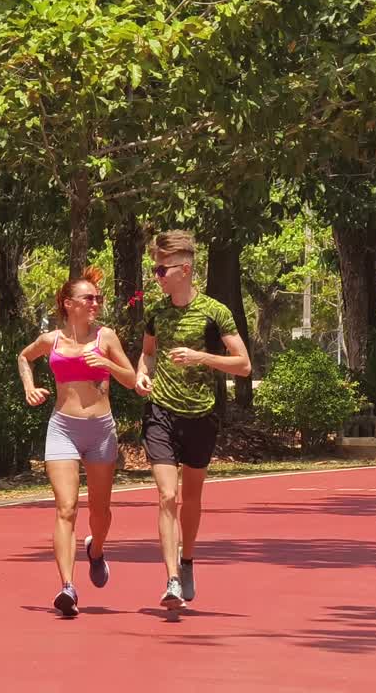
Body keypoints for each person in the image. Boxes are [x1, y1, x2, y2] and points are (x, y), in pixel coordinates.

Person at [136, 230, 251, 609]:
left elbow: (244, 365)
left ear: (184, 270)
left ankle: (187, 562)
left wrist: (202, 357)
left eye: (161, 269)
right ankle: (170, 578)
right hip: (160, 413)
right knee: (167, 495)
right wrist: (142, 373)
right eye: (154, 269)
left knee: (191, 498)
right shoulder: (157, 312)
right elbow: (148, 353)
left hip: (201, 415)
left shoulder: (215, 312)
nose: (157, 276)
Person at [18, 266, 136, 617]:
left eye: (98, 298)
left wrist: (105, 363)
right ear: (69, 304)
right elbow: (24, 357)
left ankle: (96, 550)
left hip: (100, 429)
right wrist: (29, 386)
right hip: (63, 429)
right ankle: (67, 586)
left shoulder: (107, 337)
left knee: (99, 511)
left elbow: (130, 379)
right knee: (66, 508)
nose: (96, 303)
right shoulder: (50, 340)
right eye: (89, 298)